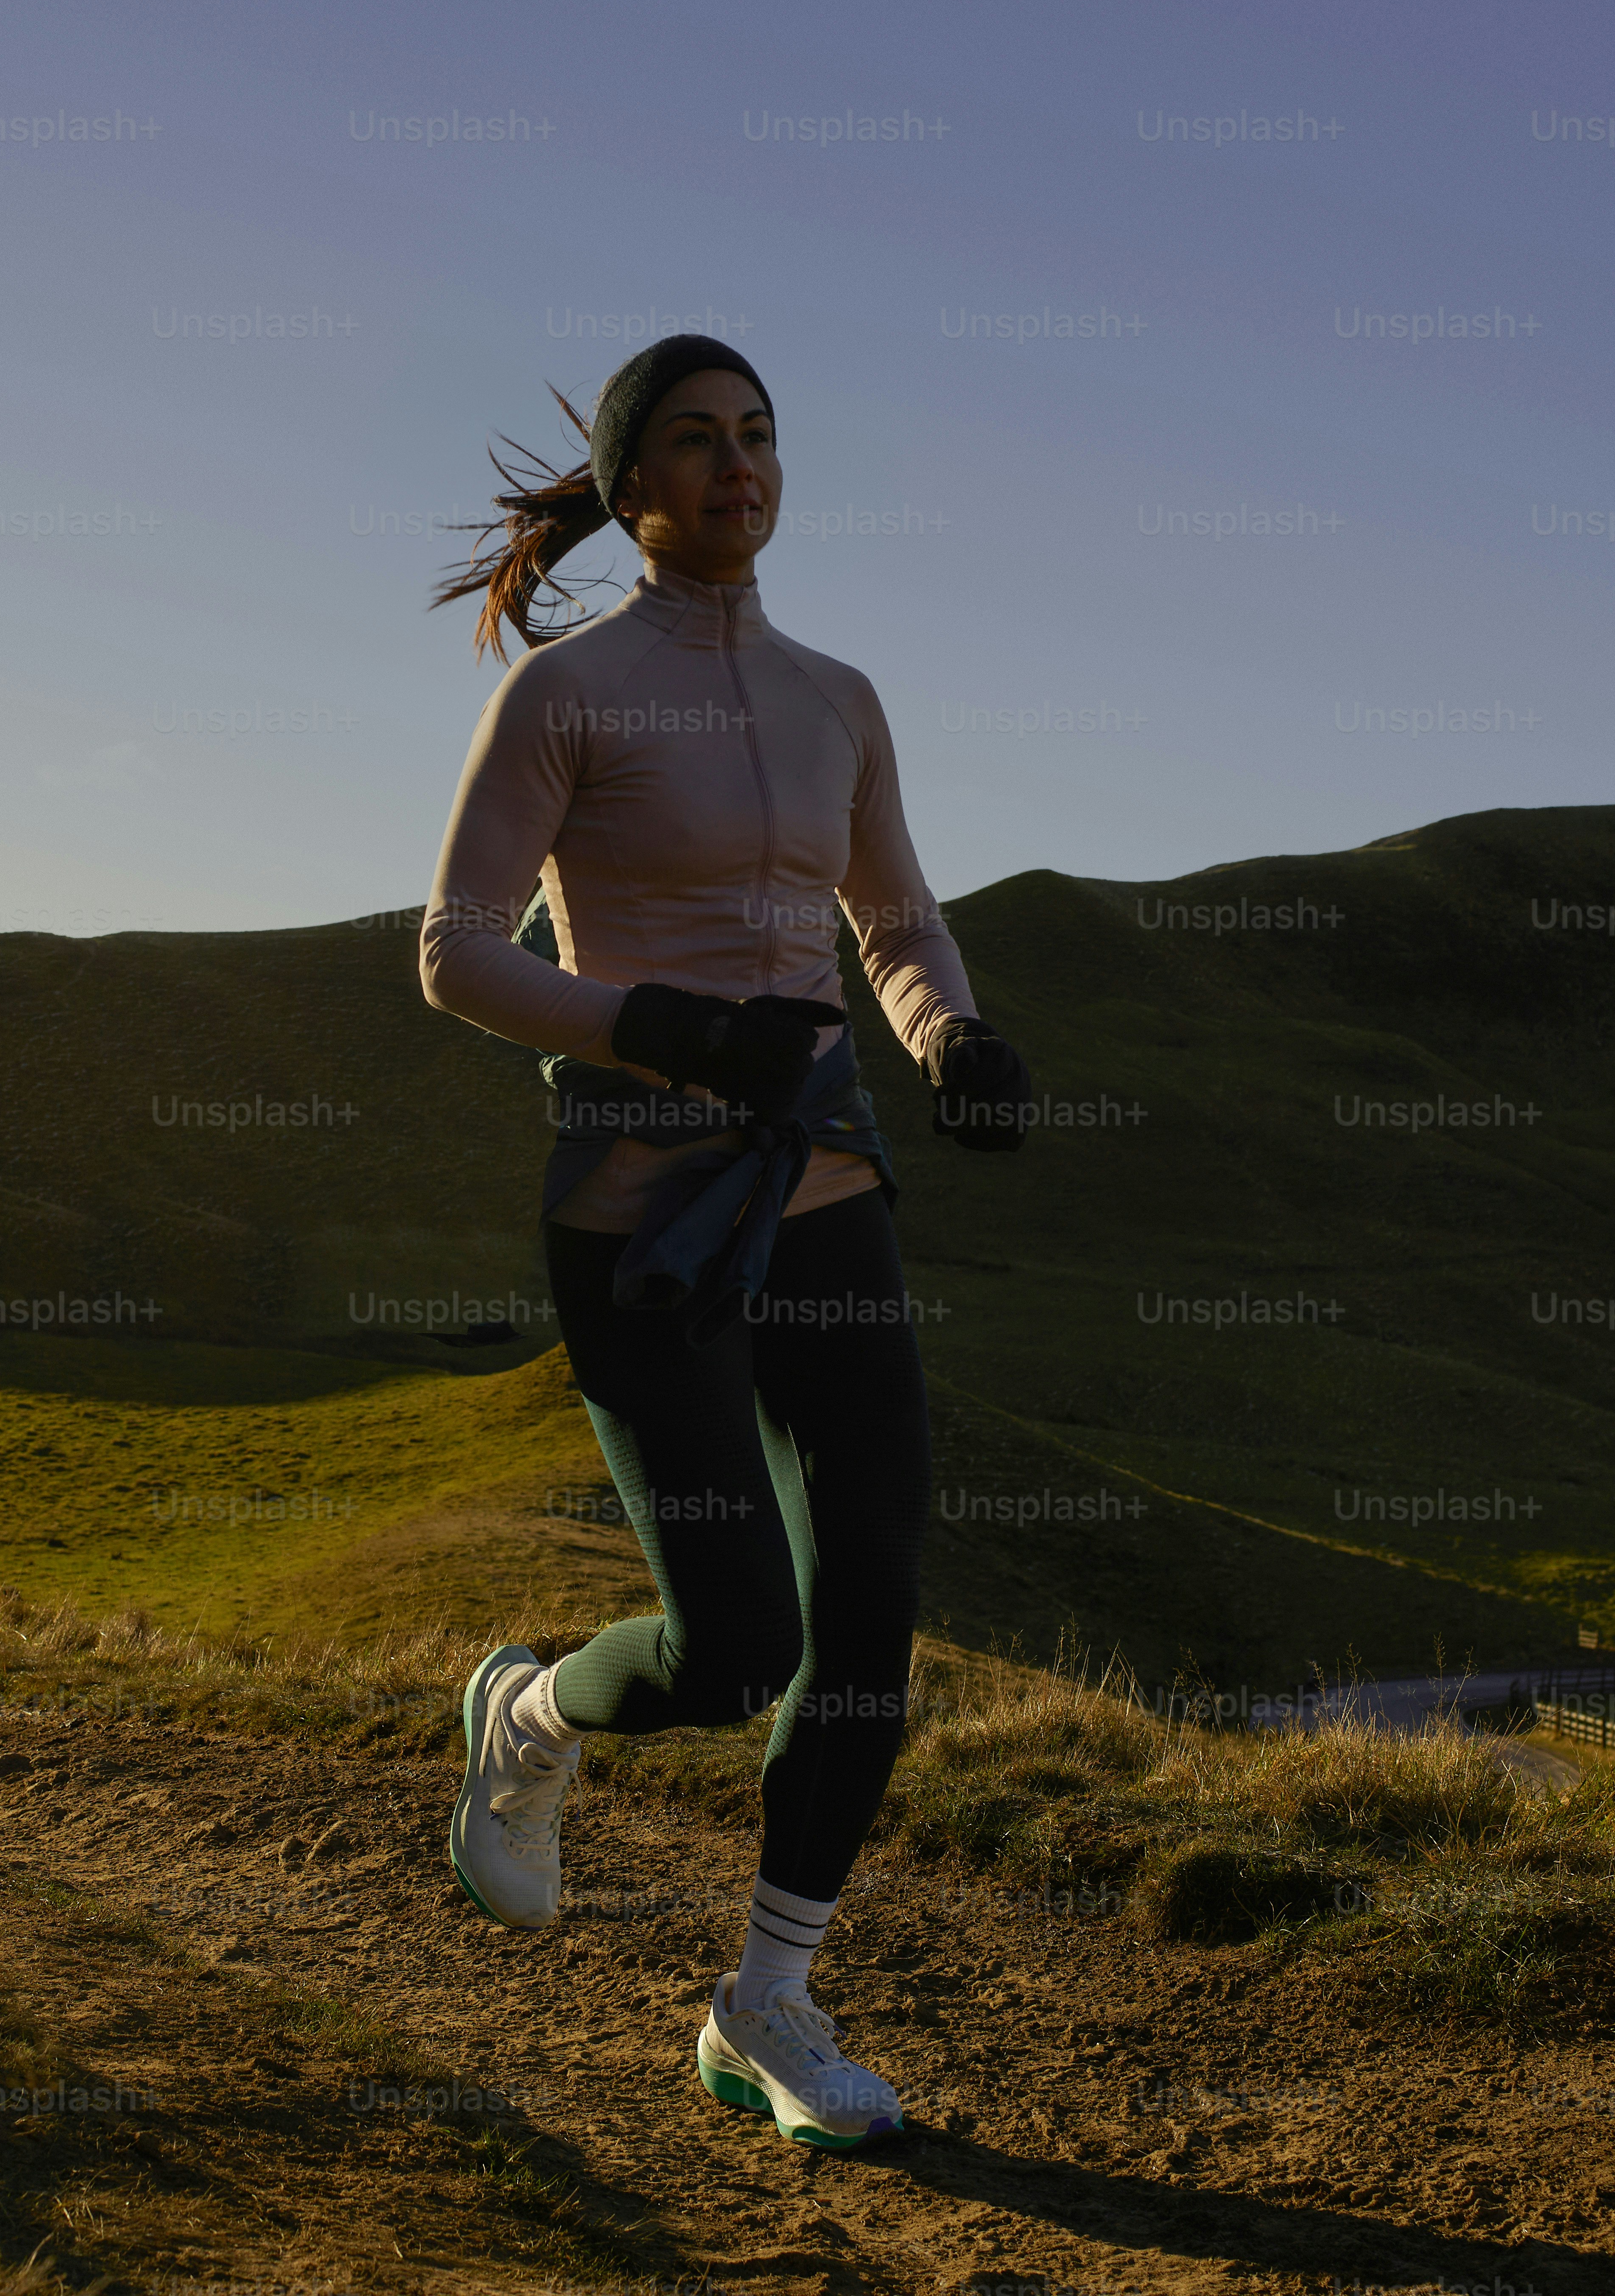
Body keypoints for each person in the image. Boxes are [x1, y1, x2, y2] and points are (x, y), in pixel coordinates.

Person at [414, 334, 1031, 2152]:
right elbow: (454, 950)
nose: (740, 462)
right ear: (632, 490)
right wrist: (668, 1027)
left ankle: (768, 2000)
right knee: (737, 1643)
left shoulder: (840, 694)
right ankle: (528, 1714)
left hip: (824, 1185)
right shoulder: (567, 696)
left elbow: (898, 915)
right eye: (696, 439)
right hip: (641, 1205)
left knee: (870, 1615)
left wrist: (952, 1036)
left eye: (760, 433)